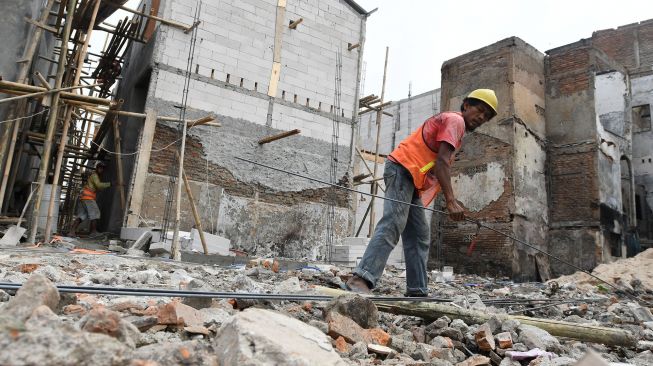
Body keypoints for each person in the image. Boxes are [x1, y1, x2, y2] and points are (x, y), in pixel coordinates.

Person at [347, 89, 499, 296]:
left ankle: (417, 291)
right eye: (479, 110)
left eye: (487, 116)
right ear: (465, 106)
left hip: (411, 178)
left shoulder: (456, 128)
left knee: (419, 236)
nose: (481, 117)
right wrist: (451, 201)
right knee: (393, 223)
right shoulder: (456, 121)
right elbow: (442, 162)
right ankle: (361, 278)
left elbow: (436, 164)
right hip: (402, 168)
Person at [69, 161, 111, 237]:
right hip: (88, 199)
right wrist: (110, 184)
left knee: (81, 216)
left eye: (103, 169)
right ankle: (93, 232)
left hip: (84, 198)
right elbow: (98, 185)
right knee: (95, 213)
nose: (101, 170)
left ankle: (71, 232)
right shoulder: (94, 175)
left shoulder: (94, 176)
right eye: (100, 168)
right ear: (97, 168)